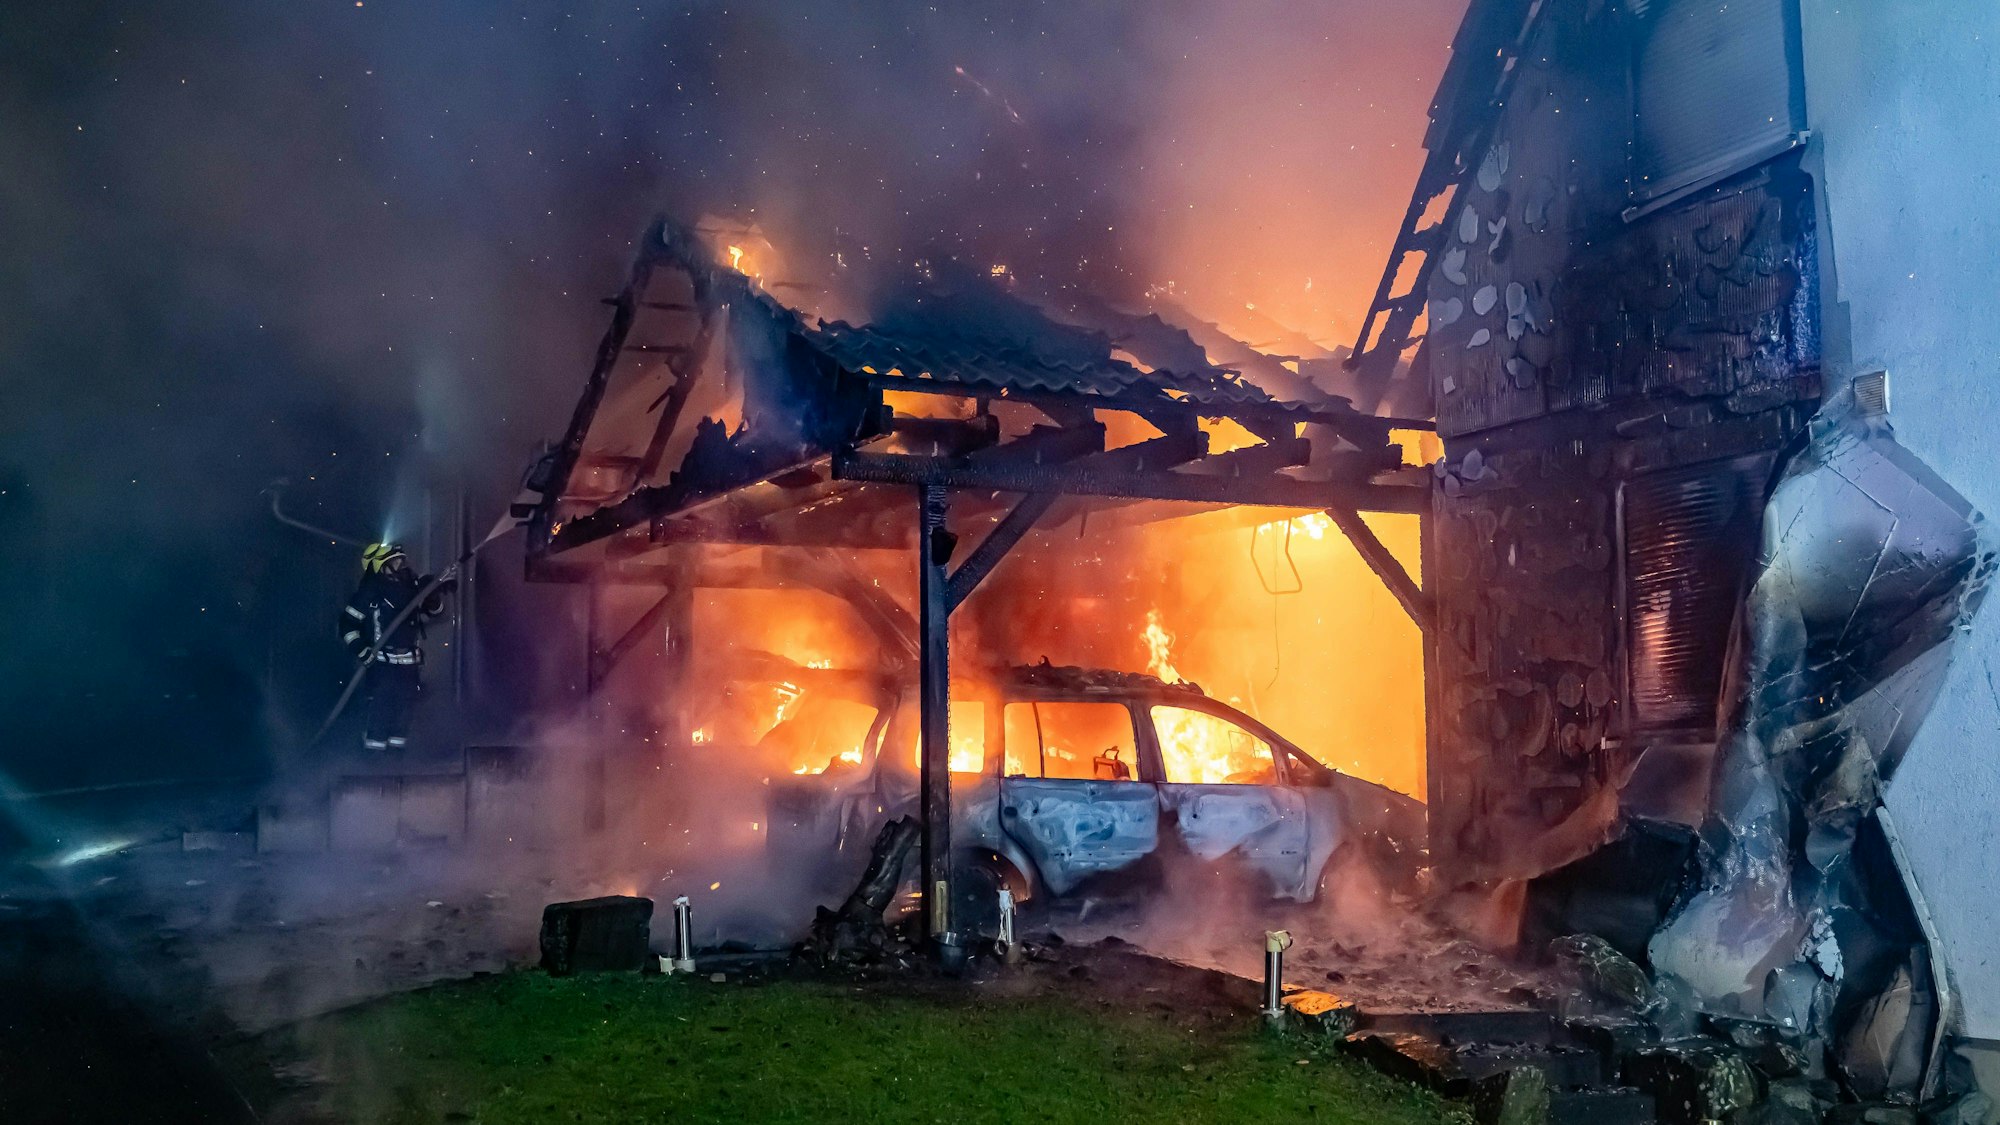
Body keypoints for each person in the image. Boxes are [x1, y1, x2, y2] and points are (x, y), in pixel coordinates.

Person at [341, 543, 455, 751]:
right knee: (379, 718)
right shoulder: (369, 594)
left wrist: (432, 595)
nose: (400, 565)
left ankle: (396, 767)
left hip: (409, 668)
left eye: (401, 561)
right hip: (382, 668)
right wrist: (361, 649)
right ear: (379, 566)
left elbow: (437, 613)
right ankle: (373, 769)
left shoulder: (412, 588)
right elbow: (347, 625)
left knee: (403, 720)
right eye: (394, 562)